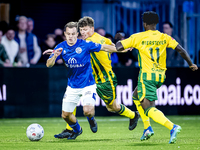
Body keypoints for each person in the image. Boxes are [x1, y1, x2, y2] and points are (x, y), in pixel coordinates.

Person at [50, 17, 139, 139]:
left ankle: (133, 115)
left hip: (105, 78)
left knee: (112, 107)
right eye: (81, 30)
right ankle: (70, 129)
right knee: (74, 98)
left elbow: (110, 46)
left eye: (85, 29)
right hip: (89, 78)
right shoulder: (82, 41)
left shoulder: (99, 40)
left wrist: (124, 48)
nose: (83, 33)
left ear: (92, 29)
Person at [116, 11, 198, 144]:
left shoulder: (138, 37)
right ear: (156, 23)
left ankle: (172, 127)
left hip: (146, 77)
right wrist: (191, 64)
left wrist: (121, 39)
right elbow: (181, 50)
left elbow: (118, 47)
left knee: (149, 109)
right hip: (160, 77)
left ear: (145, 23)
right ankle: (147, 128)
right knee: (135, 96)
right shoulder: (164, 37)